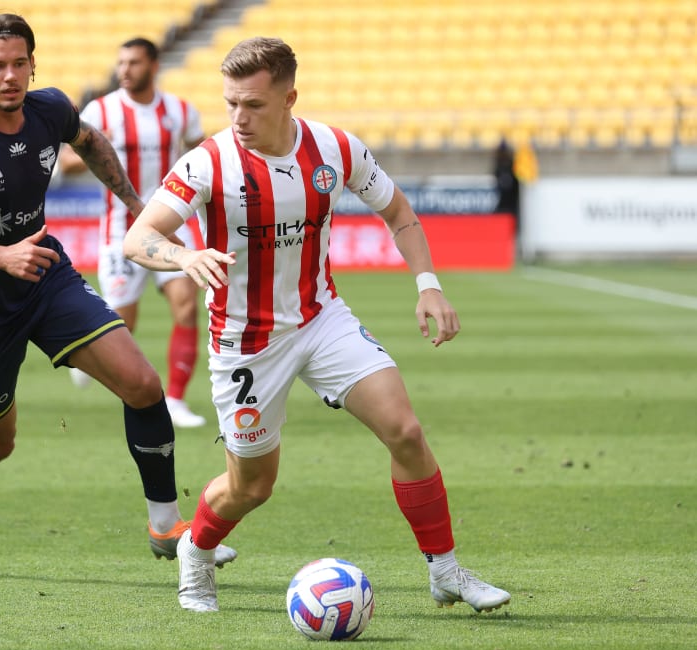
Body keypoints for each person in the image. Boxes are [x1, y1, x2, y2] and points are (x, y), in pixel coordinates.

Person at [123, 36, 511, 613]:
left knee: (404, 431)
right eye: (231, 103)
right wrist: (183, 256)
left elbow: (398, 212)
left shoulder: (334, 148)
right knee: (252, 487)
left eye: (253, 104)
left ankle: (446, 572)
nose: (239, 117)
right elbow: (139, 237)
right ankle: (196, 552)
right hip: (245, 342)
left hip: (320, 317)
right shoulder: (209, 161)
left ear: (289, 98)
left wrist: (428, 284)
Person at [0, 13, 235, 577]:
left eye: (19, 63)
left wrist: (135, 207)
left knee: (143, 385)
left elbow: (91, 140)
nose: (10, 76)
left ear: (33, 63)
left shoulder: (49, 107)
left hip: (46, 277)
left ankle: (165, 524)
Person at [58, 38, 207, 429]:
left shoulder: (180, 111)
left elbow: (200, 154)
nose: (124, 69)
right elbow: (72, 158)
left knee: (187, 305)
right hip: (120, 230)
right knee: (122, 323)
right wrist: (81, 160)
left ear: (153, 65)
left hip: (171, 226)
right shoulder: (101, 110)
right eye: (121, 62)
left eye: (134, 62)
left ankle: (174, 399)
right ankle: (90, 359)